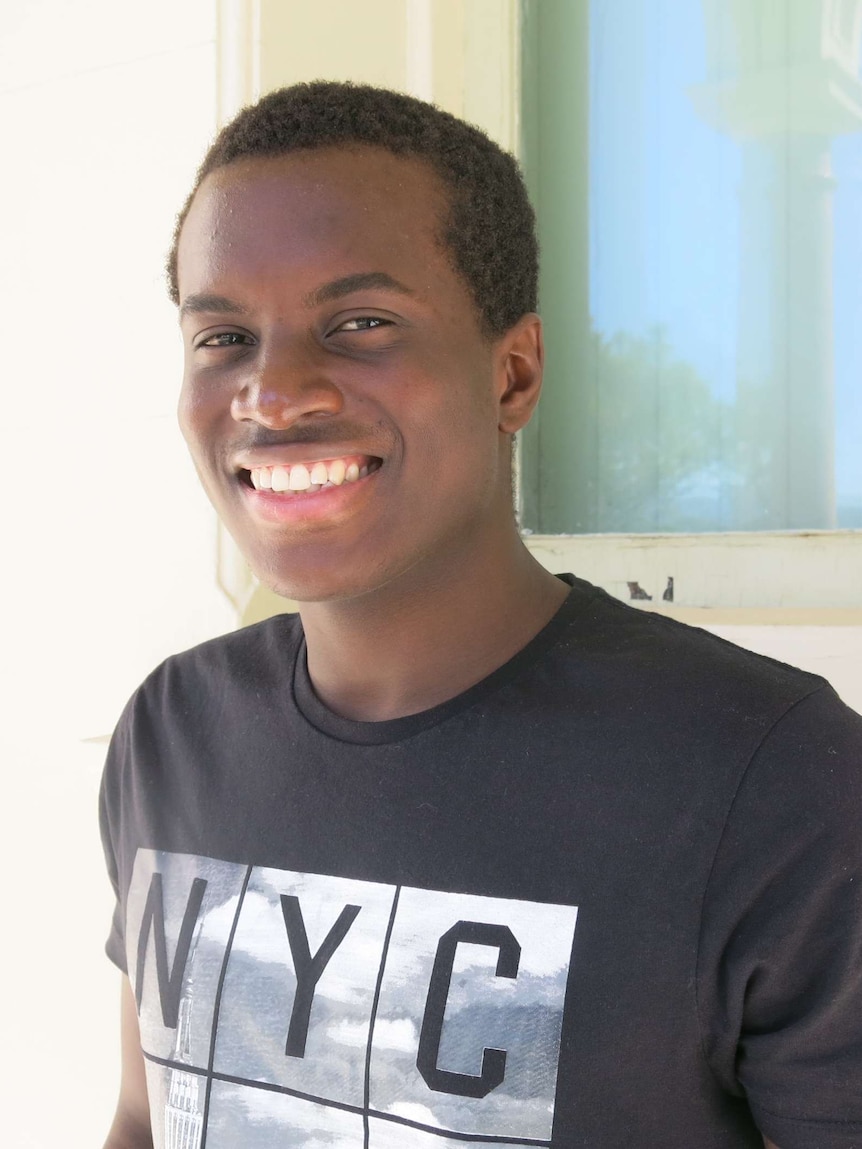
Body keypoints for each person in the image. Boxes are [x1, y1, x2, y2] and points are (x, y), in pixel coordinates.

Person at [100, 82, 862, 1149]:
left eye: (360, 324)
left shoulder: (774, 780)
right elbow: (148, 1118)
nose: (274, 393)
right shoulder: (172, 733)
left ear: (512, 374)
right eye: (222, 336)